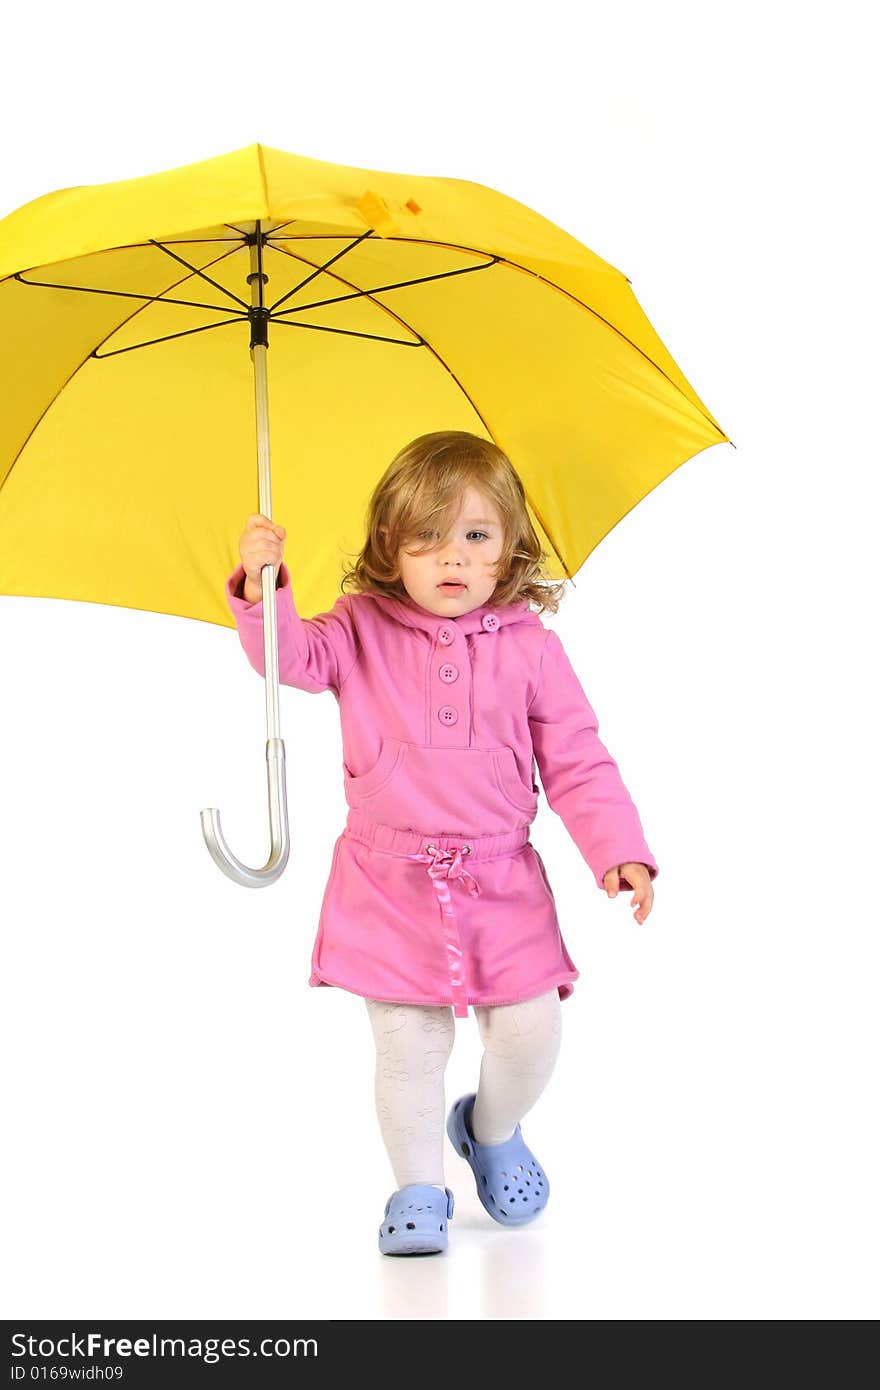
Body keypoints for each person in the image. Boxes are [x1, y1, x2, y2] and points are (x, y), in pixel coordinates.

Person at [225, 429, 658, 1257]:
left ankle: (491, 1130)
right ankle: (418, 1188)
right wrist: (263, 584)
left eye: (475, 535)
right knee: (409, 1045)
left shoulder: (532, 649)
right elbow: (291, 659)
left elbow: (576, 756)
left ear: (510, 547)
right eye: (426, 536)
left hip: (503, 880)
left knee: (531, 1032)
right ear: (390, 544)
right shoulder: (356, 628)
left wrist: (618, 849)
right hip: (386, 883)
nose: (451, 556)